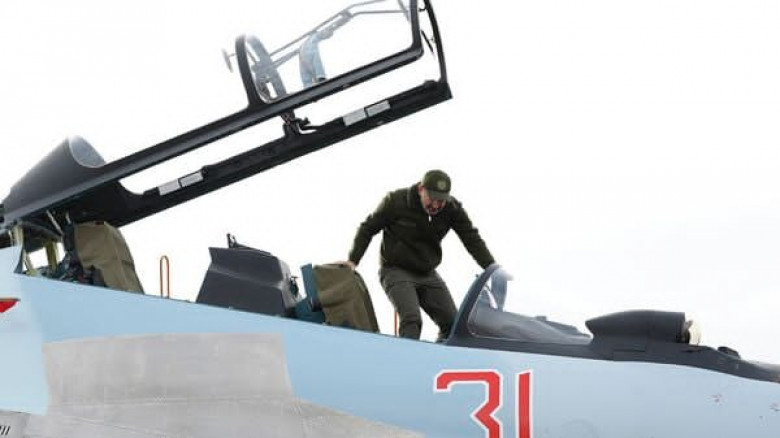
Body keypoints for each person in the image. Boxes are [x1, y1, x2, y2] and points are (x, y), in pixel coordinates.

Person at [344, 169, 495, 341]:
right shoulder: (396, 201)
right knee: (412, 319)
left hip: (427, 273)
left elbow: (472, 239)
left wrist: (491, 268)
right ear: (421, 189)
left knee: (453, 325)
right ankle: (406, 356)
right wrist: (353, 260)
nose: (436, 205)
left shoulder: (452, 209)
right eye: (432, 199)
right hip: (395, 270)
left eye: (441, 201)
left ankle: (441, 355)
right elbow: (367, 228)